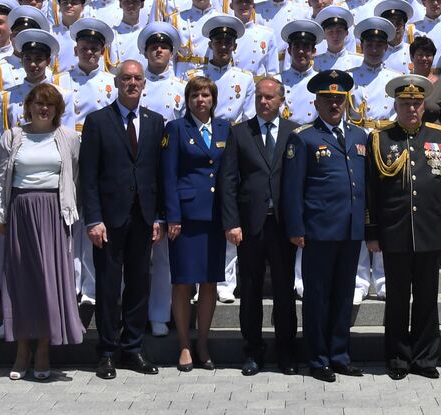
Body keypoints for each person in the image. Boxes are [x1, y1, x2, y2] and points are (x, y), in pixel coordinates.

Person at [365, 75, 441, 380]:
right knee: (396, 300)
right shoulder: (381, 139)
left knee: (427, 299)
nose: (412, 109)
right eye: (405, 104)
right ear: (395, 105)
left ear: (424, 106)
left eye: (417, 104)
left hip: (430, 230)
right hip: (395, 233)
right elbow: (371, 192)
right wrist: (373, 231)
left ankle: (425, 358)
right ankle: (397, 357)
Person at [79, 60, 166, 380]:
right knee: (108, 285)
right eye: (126, 78)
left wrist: (159, 216)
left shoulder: (155, 122)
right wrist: (93, 219)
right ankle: (106, 351)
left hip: (143, 217)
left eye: (137, 79)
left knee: (139, 285)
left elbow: (158, 172)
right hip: (109, 219)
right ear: (116, 83)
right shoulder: (98, 121)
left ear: (144, 84)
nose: (132, 83)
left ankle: (132, 347)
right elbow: (88, 176)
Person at [281, 69, 369, 382]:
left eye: (339, 99)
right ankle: (318, 360)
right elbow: (292, 188)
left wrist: (366, 225)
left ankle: (340, 355)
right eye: (328, 99)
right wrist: (295, 227)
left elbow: (365, 185)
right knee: (317, 296)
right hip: (318, 230)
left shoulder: (360, 136)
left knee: (344, 294)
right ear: (316, 103)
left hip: (350, 229)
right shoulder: (303, 138)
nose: (334, 105)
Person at [0, 82, 83, 381]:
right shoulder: (13, 136)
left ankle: (43, 349)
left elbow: (73, 175)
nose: (43, 108)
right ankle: (21, 350)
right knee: (20, 281)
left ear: (58, 110)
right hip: (19, 210)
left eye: (50, 104)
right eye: (38, 103)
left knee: (49, 281)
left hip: (54, 214)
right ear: (28, 106)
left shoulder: (68, 137)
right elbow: (0, 178)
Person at [222, 76, 299, 376]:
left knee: (284, 291)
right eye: (260, 98)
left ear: (282, 101)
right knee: (251, 291)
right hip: (250, 226)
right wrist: (231, 222)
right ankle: (253, 351)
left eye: (270, 98)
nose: (264, 103)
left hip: (282, 226)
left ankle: (286, 351)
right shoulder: (240, 133)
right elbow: (228, 181)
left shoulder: (295, 133)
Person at [161, 74, 232, 372]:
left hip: (215, 217)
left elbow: (229, 175)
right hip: (187, 219)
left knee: (208, 282)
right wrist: (173, 216)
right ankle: (184, 344)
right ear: (187, 100)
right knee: (183, 282)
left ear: (214, 99)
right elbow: (169, 175)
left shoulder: (225, 128)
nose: (200, 100)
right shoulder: (176, 129)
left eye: (205, 95)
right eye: (195, 96)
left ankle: (202, 341)